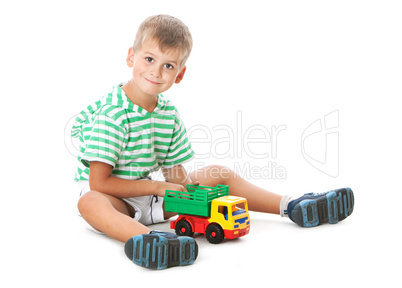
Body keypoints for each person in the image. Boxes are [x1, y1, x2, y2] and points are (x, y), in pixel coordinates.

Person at [71, 14, 354, 270]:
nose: (156, 72)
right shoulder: (112, 114)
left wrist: (190, 198)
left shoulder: (167, 114)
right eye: (149, 59)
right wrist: (157, 186)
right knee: (91, 202)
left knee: (217, 175)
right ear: (131, 57)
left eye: (168, 65)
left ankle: (292, 206)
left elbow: (176, 177)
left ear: (179, 74)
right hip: (116, 202)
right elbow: (100, 183)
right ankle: (148, 241)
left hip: (152, 198)